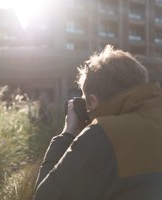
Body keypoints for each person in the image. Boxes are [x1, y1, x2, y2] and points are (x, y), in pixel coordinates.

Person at [33, 45, 162, 200]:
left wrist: (67, 134)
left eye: (86, 103)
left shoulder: (103, 134)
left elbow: (45, 197)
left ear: (93, 101)